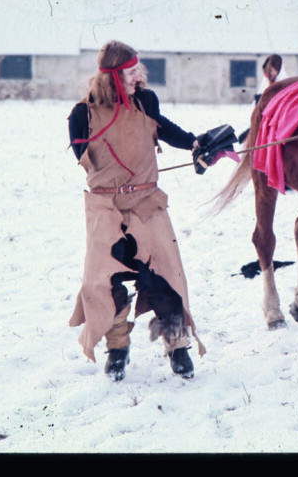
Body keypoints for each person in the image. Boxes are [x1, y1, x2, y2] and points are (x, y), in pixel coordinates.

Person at [67, 40, 208, 381]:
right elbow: (84, 158)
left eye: (138, 71)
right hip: (106, 209)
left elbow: (164, 128)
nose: (138, 77)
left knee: (163, 276)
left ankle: (177, 345)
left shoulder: (145, 101)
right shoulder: (81, 115)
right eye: (131, 72)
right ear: (113, 75)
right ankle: (117, 349)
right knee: (105, 282)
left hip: (147, 205)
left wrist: (194, 143)